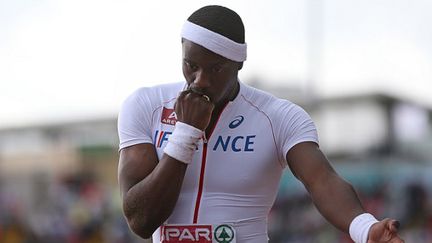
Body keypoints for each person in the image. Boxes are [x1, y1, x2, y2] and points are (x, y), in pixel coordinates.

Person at [117, 5, 404, 243]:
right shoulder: (146, 106)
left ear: (239, 63)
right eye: (191, 65)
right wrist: (185, 134)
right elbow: (141, 221)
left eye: (216, 69)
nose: (200, 80)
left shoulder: (279, 116)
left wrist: (365, 228)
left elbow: (321, 180)